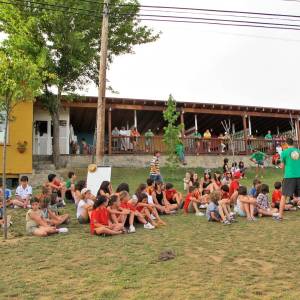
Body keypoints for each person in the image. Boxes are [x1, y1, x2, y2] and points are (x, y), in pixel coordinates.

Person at [278, 138, 300, 220]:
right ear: (293, 143)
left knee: (284, 196)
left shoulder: (284, 152)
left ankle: (280, 216)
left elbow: (282, 166)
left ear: (286, 144)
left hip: (289, 176)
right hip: (299, 175)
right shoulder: (298, 151)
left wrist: (280, 166)